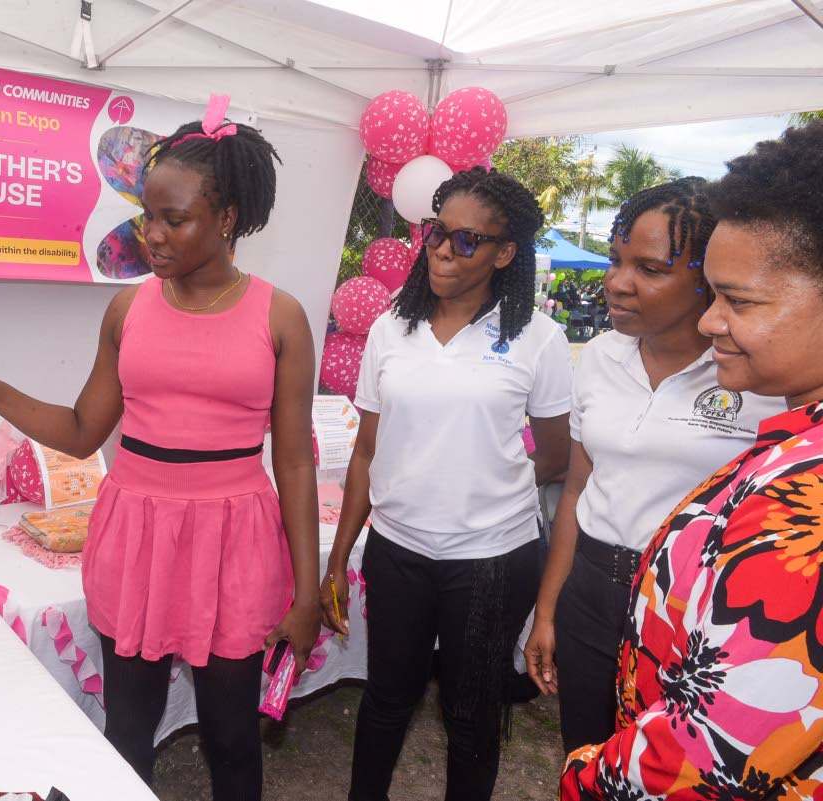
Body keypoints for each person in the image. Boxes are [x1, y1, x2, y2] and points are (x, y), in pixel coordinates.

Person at [0, 96, 322, 801]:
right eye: (148, 214)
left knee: (232, 739)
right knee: (127, 729)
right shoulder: (129, 308)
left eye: (173, 218)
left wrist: (306, 592)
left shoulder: (279, 315)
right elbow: (85, 428)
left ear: (228, 219)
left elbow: (296, 461)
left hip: (233, 540)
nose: (152, 233)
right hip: (137, 532)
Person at [560, 119, 823, 798]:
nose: (713, 322)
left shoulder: (805, 500)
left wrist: (582, 778)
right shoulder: (794, 435)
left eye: (737, 299)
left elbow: (711, 753)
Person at [321, 166, 573, 801]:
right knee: (385, 702)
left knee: (471, 716)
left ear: (505, 252)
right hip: (398, 550)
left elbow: (554, 455)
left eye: (466, 241)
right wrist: (338, 555)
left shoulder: (537, 338)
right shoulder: (390, 329)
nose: (441, 249)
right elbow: (366, 450)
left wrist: (479, 480)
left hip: (491, 559)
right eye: (437, 232)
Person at [522, 178, 784, 756]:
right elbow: (576, 492)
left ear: (707, 280)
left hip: (692, 611)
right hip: (590, 589)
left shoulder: (764, 381)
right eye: (617, 261)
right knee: (588, 754)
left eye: (650, 268)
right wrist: (548, 609)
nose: (617, 282)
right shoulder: (597, 358)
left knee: (675, 767)